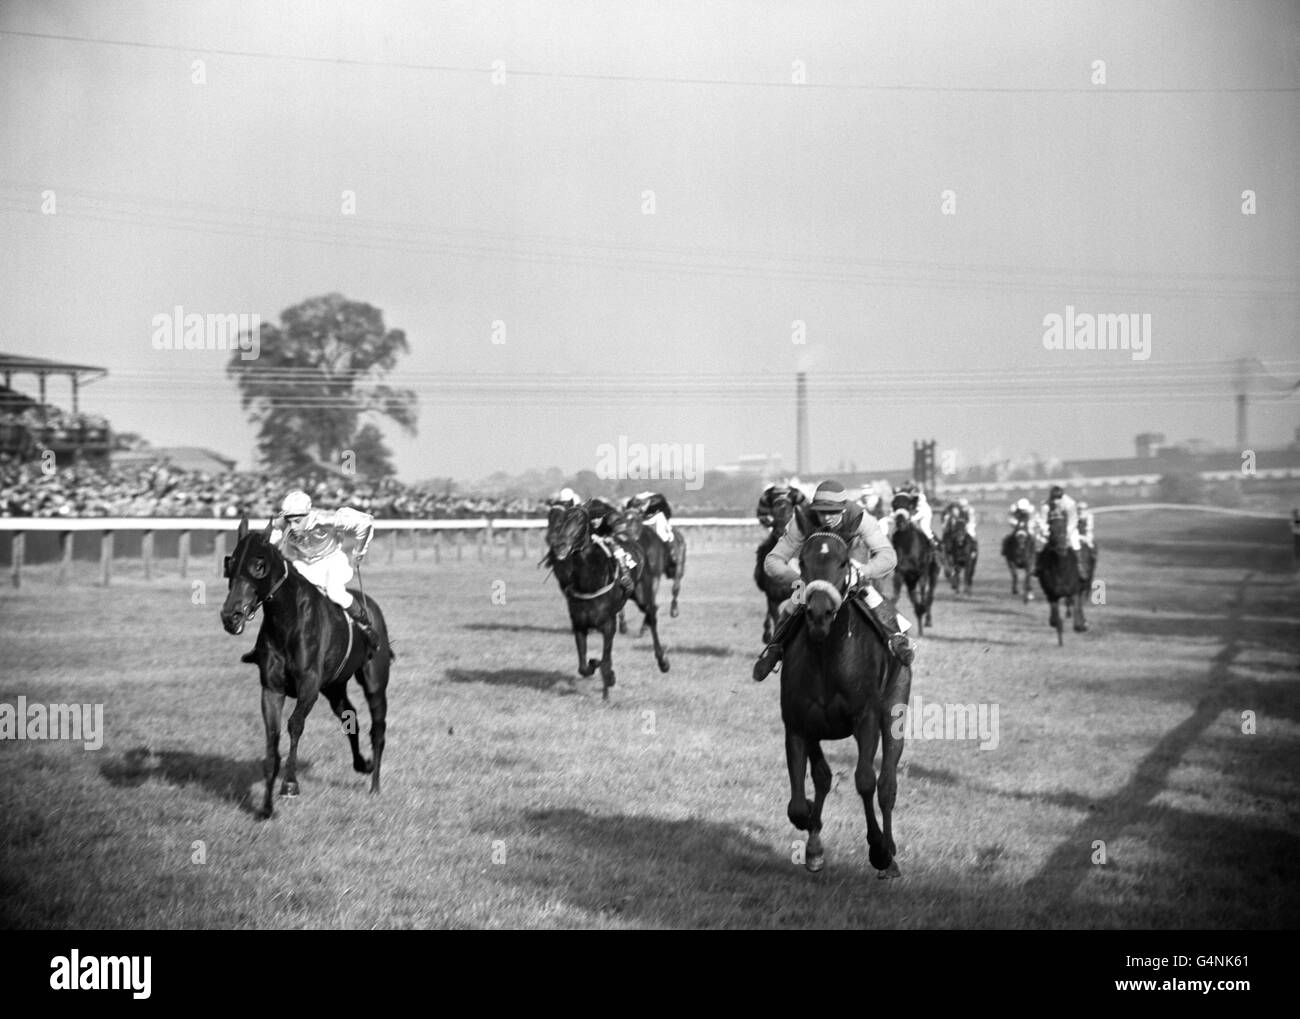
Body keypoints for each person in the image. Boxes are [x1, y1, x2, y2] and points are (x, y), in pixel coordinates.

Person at [753, 480, 913, 680]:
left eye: (833, 512)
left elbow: (888, 556)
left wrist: (864, 571)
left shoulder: (859, 517)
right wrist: (799, 579)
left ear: (843, 509)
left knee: (867, 590)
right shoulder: (801, 521)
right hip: (816, 564)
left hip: (851, 557)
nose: (827, 517)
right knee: (797, 599)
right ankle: (775, 649)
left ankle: (895, 638)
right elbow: (772, 561)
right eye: (821, 512)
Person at [272, 489, 382, 654]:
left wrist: (359, 552)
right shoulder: (283, 522)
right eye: (289, 522)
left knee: (335, 593)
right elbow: (273, 538)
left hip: (331, 561)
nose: (292, 527)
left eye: (297, 521)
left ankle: (365, 625)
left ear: (307, 515)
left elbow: (365, 523)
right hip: (303, 562)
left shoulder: (327, 519)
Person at [892, 479, 940, 547]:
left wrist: (912, 518)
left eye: (908, 486)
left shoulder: (919, 495)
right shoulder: (909, 494)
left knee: (924, 527)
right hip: (916, 512)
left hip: (924, 513)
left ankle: (932, 541)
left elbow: (920, 510)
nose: (906, 488)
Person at [1035, 484, 1081, 553]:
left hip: (1067, 529)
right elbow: (1043, 521)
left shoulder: (1070, 504)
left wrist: (1067, 533)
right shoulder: (1045, 505)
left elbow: (1072, 521)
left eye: (1058, 499)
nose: (1055, 501)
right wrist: (1046, 531)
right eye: (1053, 499)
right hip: (1050, 530)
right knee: (1039, 543)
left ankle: (1078, 562)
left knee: (1075, 543)